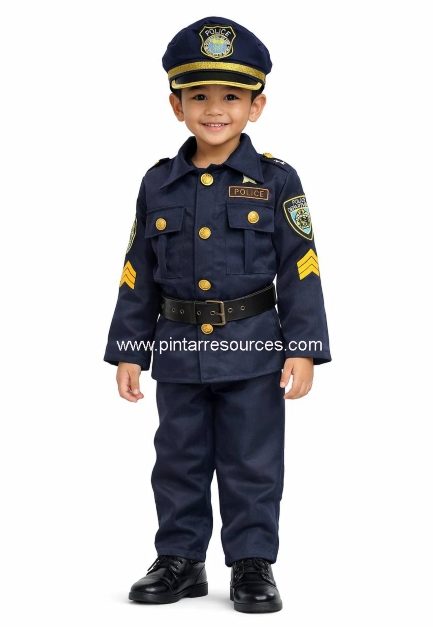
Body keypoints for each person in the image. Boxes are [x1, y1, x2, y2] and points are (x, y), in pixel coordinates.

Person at [103, 16, 331, 613]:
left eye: (231, 97)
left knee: (252, 461)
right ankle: (180, 560)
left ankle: (252, 562)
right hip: (178, 349)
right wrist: (129, 349)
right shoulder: (158, 183)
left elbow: (301, 267)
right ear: (176, 105)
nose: (214, 110)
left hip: (253, 348)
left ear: (256, 106)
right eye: (199, 96)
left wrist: (303, 347)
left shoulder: (277, 180)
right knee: (178, 459)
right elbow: (137, 270)